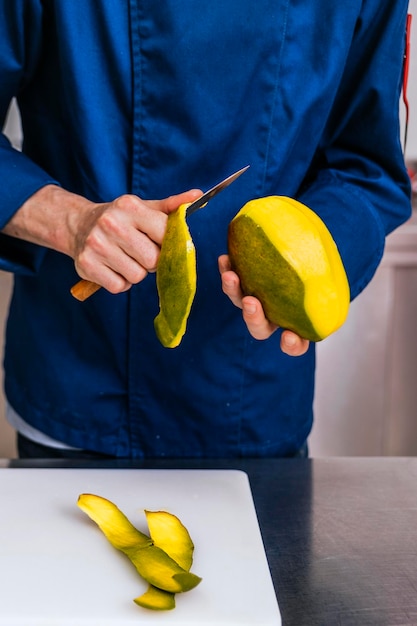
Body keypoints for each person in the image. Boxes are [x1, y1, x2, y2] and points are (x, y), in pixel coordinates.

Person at [0, 1, 412, 459]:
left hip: (249, 392)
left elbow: (366, 168)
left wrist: (310, 265)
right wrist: (68, 220)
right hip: (79, 370)